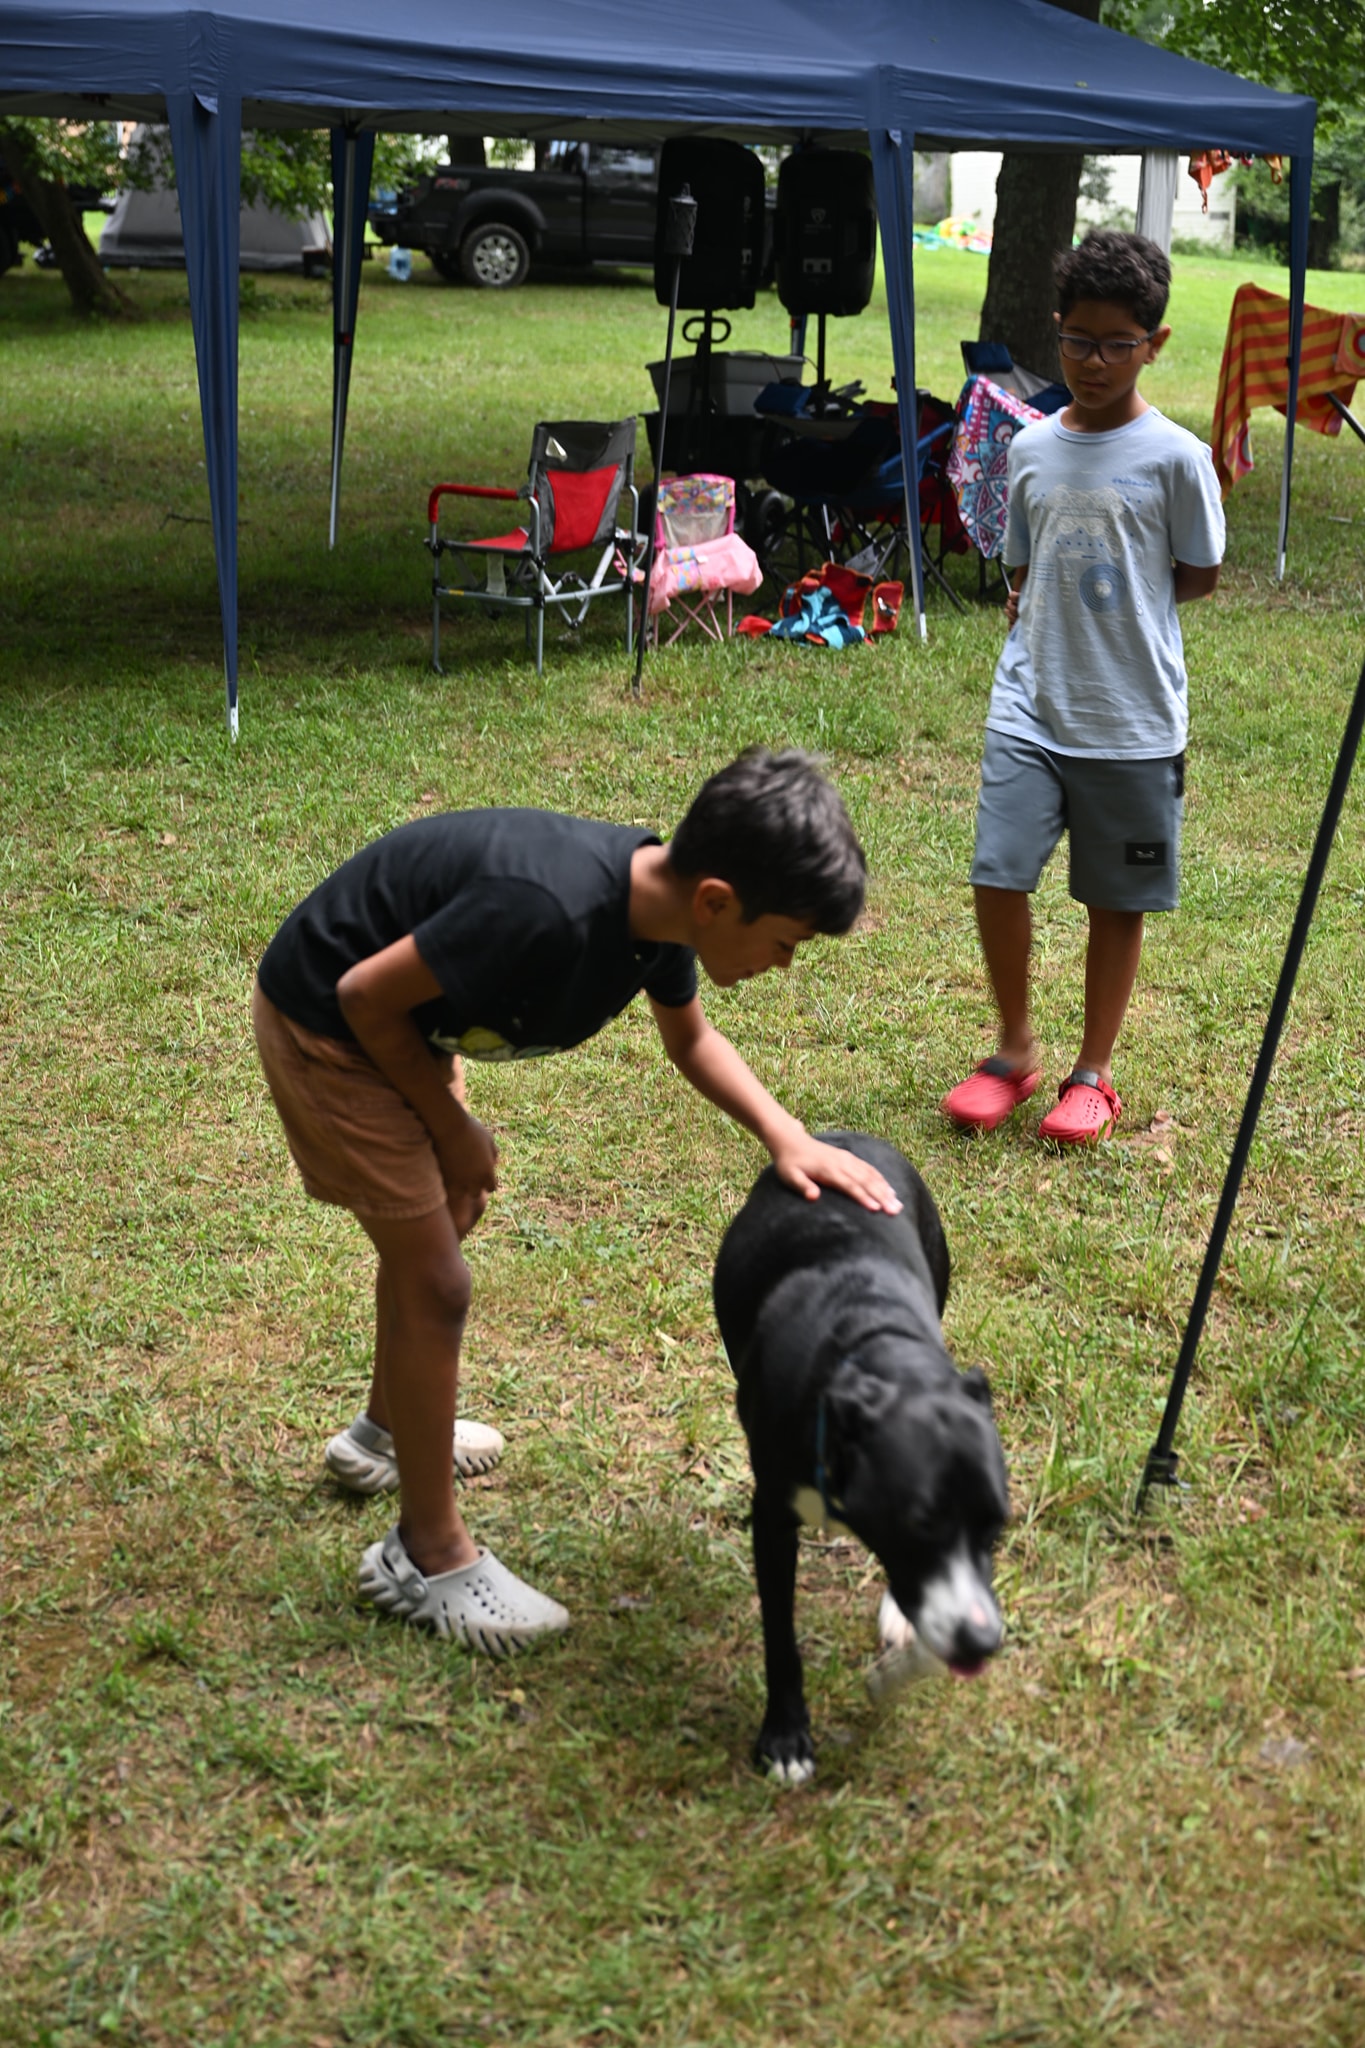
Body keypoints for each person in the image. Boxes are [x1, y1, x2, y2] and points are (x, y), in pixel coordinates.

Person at [252, 747, 902, 1651]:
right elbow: (363, 995)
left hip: (401, 1025)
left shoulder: (659, 916)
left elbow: (691, 1041)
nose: (784, 965)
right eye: (785, 943)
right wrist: (450, 1126)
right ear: (717, 901)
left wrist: (785, 1134)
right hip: (332, 1030)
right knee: (437, 1279)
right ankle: (426, 1557)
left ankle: (383, 1437)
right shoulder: (547, 907)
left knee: (436, 1238)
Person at [941, 229, 1225, 1145]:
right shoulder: (1030, 448)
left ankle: (1091, 1073)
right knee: (997, 872)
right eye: (1075, 340)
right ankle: (1013, 1050)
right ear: (1055, 330)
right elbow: (1023, 568)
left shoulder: (1175, 457)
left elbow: (1195, 574)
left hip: (1131, 718)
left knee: (1115, 897)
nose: (1092, 361)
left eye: (1114, 344)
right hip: (1029, 703)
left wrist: (1121, 603)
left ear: (1154, 344)